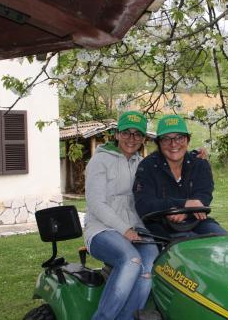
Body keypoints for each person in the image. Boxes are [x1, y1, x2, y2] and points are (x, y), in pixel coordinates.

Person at [84, 111, 158, 320]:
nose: (131, 139)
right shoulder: (100, 161)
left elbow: (169, 159)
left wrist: (194, 155)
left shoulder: (140, 164)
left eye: (137, 134)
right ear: (117, 134)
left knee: (149, 265)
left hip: (134, 228)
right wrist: (124, 230)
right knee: (131, 259)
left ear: (143, 138)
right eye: (127, 133)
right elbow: (96, 203)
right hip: (101, 229)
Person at [133, 114, 227, 238]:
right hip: (160, 224)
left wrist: (186, 212)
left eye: (179, 137)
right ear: (159, 143)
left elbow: (204, 194)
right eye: (166, 139)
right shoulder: (147, 166)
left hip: (195, 220)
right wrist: (183, 204)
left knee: (225, 241)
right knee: (186, 248)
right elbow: (144, 204)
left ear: (187, 140)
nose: (173, 144)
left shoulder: (199, 163)